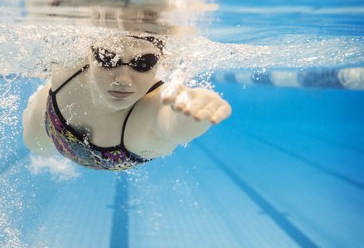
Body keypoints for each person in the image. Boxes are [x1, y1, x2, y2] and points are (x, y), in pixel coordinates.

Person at [22, 35, 231, 171]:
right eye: (107, 58)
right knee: (37, 146)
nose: (123, 79)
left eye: (143, 63)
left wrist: (192, 114)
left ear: (159, 62)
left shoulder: (151, 109)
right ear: (89, 54)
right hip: (50, 118)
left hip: (116, 152)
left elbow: (168, 124)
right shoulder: (69, 66)